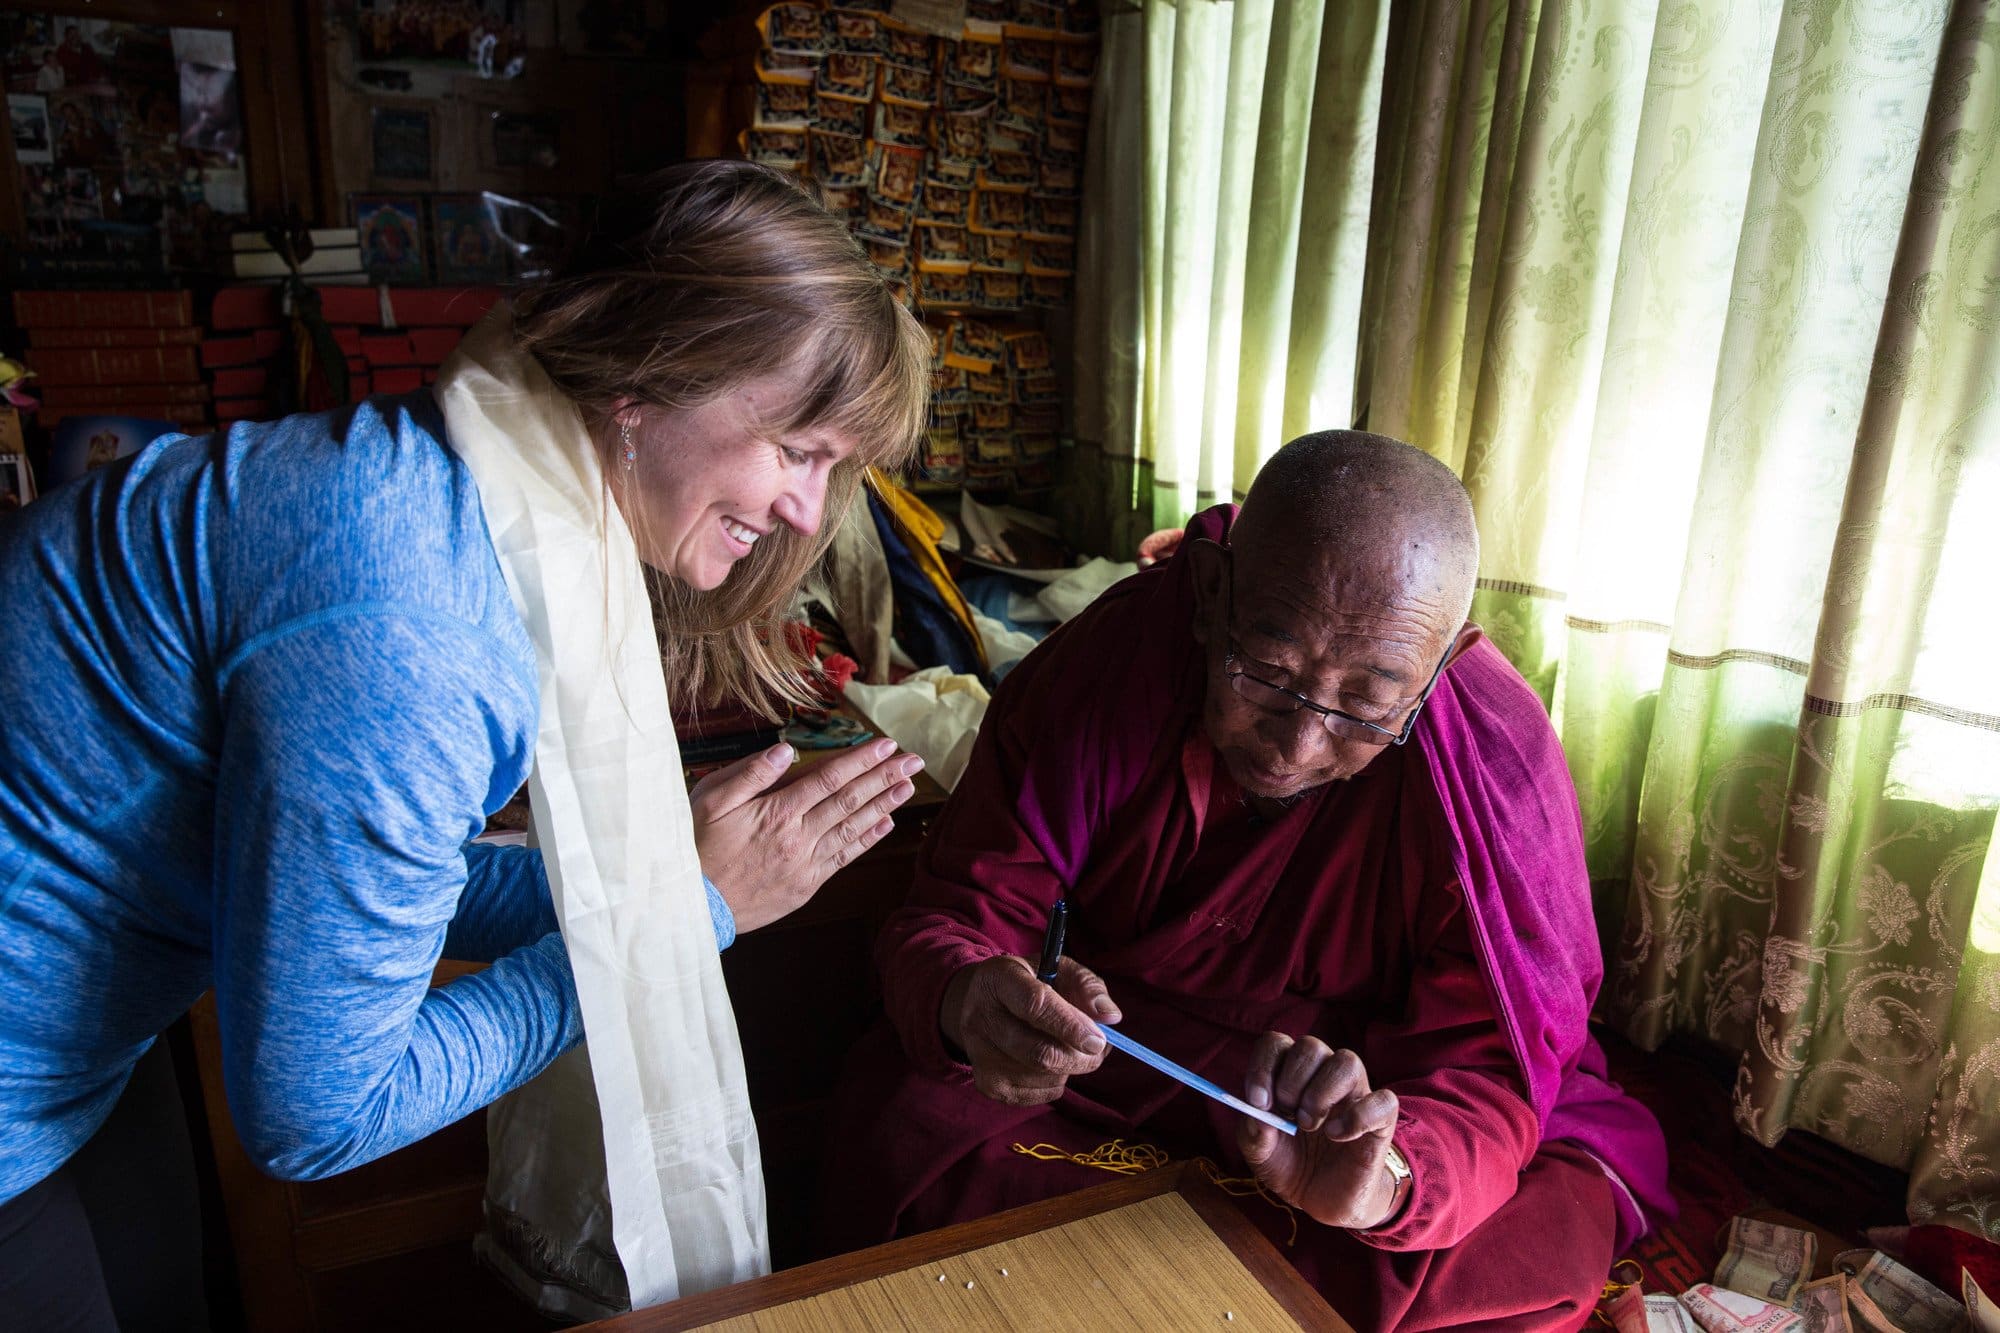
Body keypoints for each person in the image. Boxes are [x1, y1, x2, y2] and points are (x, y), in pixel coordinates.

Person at [0, 160, 932, 1328]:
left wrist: (650, 888)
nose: (808, 509)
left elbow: (387, 887)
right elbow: (317, 1119)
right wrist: (684, 918)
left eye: (834, 468)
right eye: (796, 448)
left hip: (79, 1047)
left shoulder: (453, 475)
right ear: (644, 378)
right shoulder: (414, 627)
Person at [819, 432, 1673, 1331]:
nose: (1297, 746)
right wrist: (973, 1003)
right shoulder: (1110, 664)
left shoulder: (1491, 761)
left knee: (1524, 1252)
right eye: (1268, 671)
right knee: (899, 1124)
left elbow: (1490, 1067)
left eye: (1367, 704)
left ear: (1432, 672)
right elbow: (961, 911)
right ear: (1213, 595)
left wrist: (1383, 1178)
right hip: (1114, 1063)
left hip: (1347, 1109)